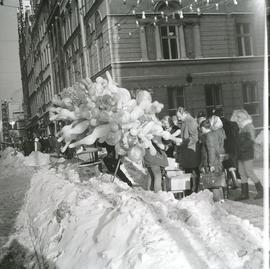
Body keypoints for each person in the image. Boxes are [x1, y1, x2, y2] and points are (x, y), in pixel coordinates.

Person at [231, 109, 263, 200]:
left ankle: (261, 191)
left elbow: (251, 140)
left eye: (240, 117)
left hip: (247, 154)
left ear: (244, 117)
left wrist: (241, 148)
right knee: (242, 174)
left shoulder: (249, 126)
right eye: (237, 117)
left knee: (250, 172)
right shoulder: (241, 127)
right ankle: (244, 194)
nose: (238, 119)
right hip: (241, 154)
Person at [211, 108, 240, 189]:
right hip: (234, 148)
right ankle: (234, 181)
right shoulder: (231, 124)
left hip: (225, 147)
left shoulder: (219, 125)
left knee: (225, 165)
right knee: (231, 165)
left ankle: (228, 183)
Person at [176, 107, 201, 193]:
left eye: (179, 116)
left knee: (192, 171)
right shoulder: (185, 121)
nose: (178, 118)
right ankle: (190, 191)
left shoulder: (190, 121)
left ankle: (193, 190)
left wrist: (182, 143)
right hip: (187, 151)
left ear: (184, 113)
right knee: (188, 171)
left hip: (191, 151)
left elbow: (194, 137)